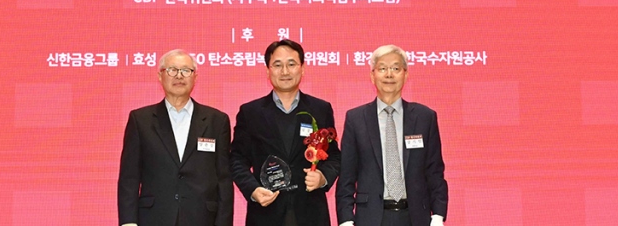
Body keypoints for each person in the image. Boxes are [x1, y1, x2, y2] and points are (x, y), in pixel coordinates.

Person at [230, 39, 341, 226]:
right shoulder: (250, 112)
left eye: (291, 64)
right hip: (266, 214)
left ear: (302, 69)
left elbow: (334, 156)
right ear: (268, 70)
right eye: (277, 65)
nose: (285, 72)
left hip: (311, 213)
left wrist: (323, 178)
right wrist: (253, 190)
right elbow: (237, 159)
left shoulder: (320, 109)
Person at [118, 49, 233, 226]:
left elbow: (224, 178)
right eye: (172, 70)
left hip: (202, 218)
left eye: (186, 70)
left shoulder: (216, 120)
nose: (179, 76)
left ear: (195, 77)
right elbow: (129, 177)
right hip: (154, 218)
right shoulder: (140, 120)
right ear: (160, 76)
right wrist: (128, 222)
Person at [336, 45, 448, 226]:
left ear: (406, 74)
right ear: (372, 75)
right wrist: (346, 220)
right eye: (382, 68)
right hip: (370, 218)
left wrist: (438, 215)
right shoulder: (356, 119)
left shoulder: (425, 117)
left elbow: (435, 171)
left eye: (396, 68)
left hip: (416, 217)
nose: (389, 74)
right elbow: (347, 176)